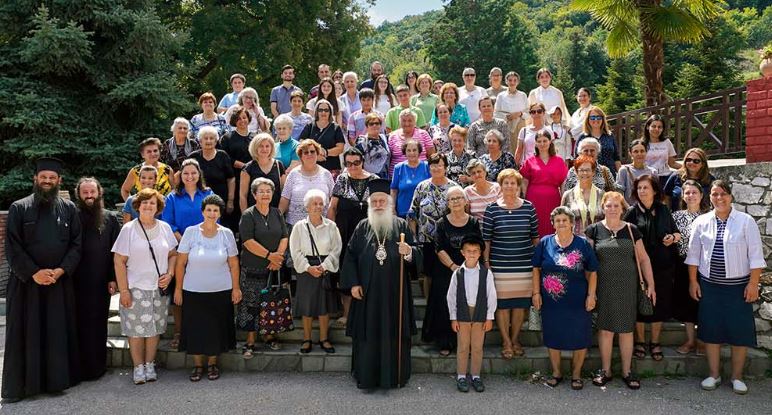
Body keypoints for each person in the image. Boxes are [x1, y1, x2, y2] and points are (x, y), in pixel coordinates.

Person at [2, 158, 82, 403]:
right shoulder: (19, 207)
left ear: (59, 181)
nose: (47, 181)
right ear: (35, 179)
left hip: (58, 283)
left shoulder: (69, 209)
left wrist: (61, 270)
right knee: (25, 332)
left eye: (52, 178)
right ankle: (23, 387)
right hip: (26, 284)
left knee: (56, 331)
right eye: (43, 177)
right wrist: (34, 272)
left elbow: (76, 244)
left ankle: (56, 382)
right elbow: (12, 246)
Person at [341, 179, 422, 389]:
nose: (378, 205)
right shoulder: (362, 226)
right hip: (366, 294)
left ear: (389, 203)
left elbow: (417, 254)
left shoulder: (401, 225)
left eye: (382, 201)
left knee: (393, 332)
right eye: (374, 202)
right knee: (367, 334)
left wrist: (409, 253)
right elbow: (350, 256)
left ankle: (395, 375)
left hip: (395, 293)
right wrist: (353, 284)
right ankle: (367, 376)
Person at [686, 180, 765, 395]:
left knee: (739, 333)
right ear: (709, 197)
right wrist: (693, 281)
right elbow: (693, 255)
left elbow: (756, 256)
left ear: (731, 196)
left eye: (723, 194)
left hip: (738, 288)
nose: (719, 198)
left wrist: (753, 284)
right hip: (710, 286)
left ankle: (737, 377)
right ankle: (714, 374)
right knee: (711, 331)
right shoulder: (701, 221)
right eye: (714, 194)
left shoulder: (746, 221)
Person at [586, 191, 656, 390]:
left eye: (616, 206)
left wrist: (651, 284)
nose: (612, 209)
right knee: (605, 329)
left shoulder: (632, 230)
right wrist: (590, 290)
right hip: (603, 286)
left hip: (628, 286)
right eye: (608, 205)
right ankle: (605, 370)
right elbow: (588, 263)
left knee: (626, 329)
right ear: (603, 207)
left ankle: (627, 371)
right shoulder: (594, 230)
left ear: (622, 208)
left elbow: (644, 259)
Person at [112, 188, 177, 385]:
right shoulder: (128, 229)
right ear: (138, 206)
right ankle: (138, 367)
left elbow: (173, 254)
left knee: (155, 329)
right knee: (136, 331)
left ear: (158, 207)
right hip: (135, 288)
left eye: (152, 203)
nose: (148, 206)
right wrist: (124, 290)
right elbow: (119, 261)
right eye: (145, 202)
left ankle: (150, 364)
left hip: (159, 288)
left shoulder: (165, 228)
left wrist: (170, 274)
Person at [174, 194, 240, 382]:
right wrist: (178, 289)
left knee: (216, 329)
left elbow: (234, 264)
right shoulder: (190, 232)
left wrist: (236, 288)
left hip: (221, 290)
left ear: (220, 213)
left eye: (215, 210)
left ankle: (212, 364)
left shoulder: (226, 234)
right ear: (202, 212)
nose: (212, 213)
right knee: (195, 328)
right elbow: (180, 263)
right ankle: (197, 366)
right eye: (209, 210)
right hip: (193, 290)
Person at [532, 207, 598, 390]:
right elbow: (536, 269)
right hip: (551, 302)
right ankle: (556, 373)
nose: (561, 223)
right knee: (553, 335)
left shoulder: (583, 244)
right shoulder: (544, 243)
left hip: (578, 300)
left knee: (580, 336)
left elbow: (592, 271)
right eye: (557, 220)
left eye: (564, 220)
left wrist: (591, 295)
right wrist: (536, 293)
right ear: (553, 224)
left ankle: (576, 375)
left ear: (572, 223)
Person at [482, 169, 539, 359]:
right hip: (500, 266)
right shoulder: (492, 209)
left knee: (520, 306)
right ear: (500, 185)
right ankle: (506, 342)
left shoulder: (529, 208)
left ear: (518, 186)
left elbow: (535, 237)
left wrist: (538, 262)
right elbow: (487, 239)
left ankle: (515, 340)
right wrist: (487, 262)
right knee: (503, 306)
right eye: (506, 183)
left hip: (524, 265)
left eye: (513, 183)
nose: (509, 186)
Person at [623, 175, 680, 362]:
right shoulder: (632, 212)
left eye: (645, 188)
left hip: (663, 266)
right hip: (639, 266)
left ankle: (655, 342)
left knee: (660, 303)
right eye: (639, 188)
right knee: (640, 303)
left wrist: (672, 238)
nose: (642, 191)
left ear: (655, 190)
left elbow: (676, 233)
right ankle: (640, 341)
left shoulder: (663, 209)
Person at [162, 159, 214, 349]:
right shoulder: (172, 197)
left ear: (199, 174)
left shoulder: (208, 194)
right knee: (180, 293)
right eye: (185, 173)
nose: (189, 176)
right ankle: (179, 332)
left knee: (202, 292)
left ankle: (202, 331)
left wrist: (200, 240)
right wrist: (186, 241)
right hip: (180, 249)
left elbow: (214, 217)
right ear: (180, 176)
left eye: (193, 173)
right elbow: (168, 223)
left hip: (205, 248)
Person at [73, 177, 121, 381]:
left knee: (97, 323)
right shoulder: (71, 216)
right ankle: (77, 368)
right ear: (79, 194)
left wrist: (113, 278)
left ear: (99, 192)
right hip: (74, 281)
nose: (89, 196)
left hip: (100, 281)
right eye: (85, 192)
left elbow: (116, 251)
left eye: (92, 192)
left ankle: (96, 368)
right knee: (76, 324)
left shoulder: (110, 218)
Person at [238, 178, 288, 356]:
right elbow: (248, 241)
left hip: (274, 268)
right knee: (251, 305)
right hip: (253, 269)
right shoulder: (248, 215)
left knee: (271, 304)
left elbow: (284, 236)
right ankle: (250, 341)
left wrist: (277, 258)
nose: (265, 194)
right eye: (261, 191)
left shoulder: (277, 213)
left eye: (268, 191)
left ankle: (269, 336)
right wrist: (269, 256)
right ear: (254, 194)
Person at [428, 186, 481, 357]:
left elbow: (477, 245)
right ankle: (445, 342)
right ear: (448, 203)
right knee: (445, 305)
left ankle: (466, 343)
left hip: (469, 268)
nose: (456, 201)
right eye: (452, 199)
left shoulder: (473, 222)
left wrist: (467, 266)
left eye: (459, 198)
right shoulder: (441, 223)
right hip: (446, 269)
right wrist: (453, 267)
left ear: (465, 201)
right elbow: (439, 248)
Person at [290, 190, 342, 354]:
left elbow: (336, 249)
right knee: (307, 306)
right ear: (307, 207)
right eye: (314, 203)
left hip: (325, 268)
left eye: (321, 204)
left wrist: (324, 266)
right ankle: (306, 339)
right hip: (306, 269)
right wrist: (308, 268)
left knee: (324, 306)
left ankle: (324, 339)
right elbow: (295, 251)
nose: (318, 206)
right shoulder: (299, 227)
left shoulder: (331, 226)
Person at [328, 149, 376, 326]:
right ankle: (347, 314)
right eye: (348, 163)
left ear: (362, 161)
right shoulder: (342, 179)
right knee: (346, 272)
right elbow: (333, 207)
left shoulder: (374, 180)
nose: (353, 166)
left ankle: (369, 314)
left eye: (356, 163)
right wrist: (331, 232)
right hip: (345, 233)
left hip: (369, 235)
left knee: (369, 272)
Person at [447, 233, 495, 393]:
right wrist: (453, 317)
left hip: (480, 313)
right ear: (462, 252)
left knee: (477, 347)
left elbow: (491, 295)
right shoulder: (457, 273)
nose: (472, 254)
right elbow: (451, 296)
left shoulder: (486, 273)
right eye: (469, 251)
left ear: (480, 253)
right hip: (462, 313)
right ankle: (461, 376)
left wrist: (489, 317)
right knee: (463, 346)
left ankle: (475, 376)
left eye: (475, 251)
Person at [409, 153, 458, 300]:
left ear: (446, 167)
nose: (436, 168)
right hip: (426, 239)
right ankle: (429, 305)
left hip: (448, 239)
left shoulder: (453, 187)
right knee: (428, 274)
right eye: (433, 165)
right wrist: (414, 237)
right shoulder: (422, 187)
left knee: (447, 272)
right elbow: (412, 213)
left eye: (439, 165)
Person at [672, 180, 708, 356]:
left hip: (705, 266)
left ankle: (702, 340)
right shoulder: (675, 216)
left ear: (701, 195)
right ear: (682, 196)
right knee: (686, 303)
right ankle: (690, 340)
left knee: (704, 303)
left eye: (694, 192)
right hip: (683, 264)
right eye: (687, 193)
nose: (691, 196)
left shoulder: (710, 216)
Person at [521, 129, 569, 237]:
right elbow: (524, 183)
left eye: (545, 141)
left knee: (552, 225)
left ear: (550, 142)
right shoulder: (529, 161)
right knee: (535, 227)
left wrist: (563, 202)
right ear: (536, 143)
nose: (542, 144)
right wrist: (523, 201)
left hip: (553, 200)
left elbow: (563, 184)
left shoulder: (559, 161)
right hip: (534, 200)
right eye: (539, 141)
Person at [279, 139, 335, 227]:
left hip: (321, 225)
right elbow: (285, 199)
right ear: (300, 156)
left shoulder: (326, 174)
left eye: (312, 151)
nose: (309, 154)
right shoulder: (293, 174)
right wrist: (278, 219)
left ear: (317, 153)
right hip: (296, 226)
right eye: (305, 152)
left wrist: (331, 225)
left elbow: (333, 201)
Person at [190, 126, 235, 216]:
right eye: (205, 138)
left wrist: (230, 200)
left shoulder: (223, 155)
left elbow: (231, 179)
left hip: (220, 201)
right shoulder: (193, 157)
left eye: (211, 138)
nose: (208, 141)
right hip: (198, 201)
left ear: (216, 141)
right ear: (200, 141)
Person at [220, 107, 256, 219]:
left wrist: (249, 167)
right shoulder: (227, 137)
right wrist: (243, 165)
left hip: (252, 176)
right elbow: (225, 157)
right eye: (238, 118)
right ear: (234, 121)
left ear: (248, 119)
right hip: (234, 177)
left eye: (244, 117)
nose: (242, 120)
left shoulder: (255, 137)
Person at [298, 99, 346, 176]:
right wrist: (315, 156)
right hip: (311, 167)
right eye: (320, 110)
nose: (323, 112)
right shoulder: (309, 126)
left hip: (332, 168)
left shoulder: (336, 128)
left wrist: (325, 152)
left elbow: (340, 148)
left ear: (330, 112)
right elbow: (301, 143)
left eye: (326, 110)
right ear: (316, 111)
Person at [240, 133, 286, 210]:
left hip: (275, 211)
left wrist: (280, 213)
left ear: (272, 148)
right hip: (254, 213)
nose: (264, 149)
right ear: (255, 148)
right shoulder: (248, 168)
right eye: (261, 146)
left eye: (267, 146)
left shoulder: (279, 165)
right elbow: (243, 195)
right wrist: (245, 215)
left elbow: (284, 193)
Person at [561, 155, 605, 235]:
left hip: (598, 239)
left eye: (588, 170)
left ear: (593, 172)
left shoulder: (602, 194)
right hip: (575, 240)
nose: (585, 173)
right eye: (581, 170)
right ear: (576, 172)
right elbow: (562, 221)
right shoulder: (568, 195)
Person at [663, 147, 714, 212]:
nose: (691, 163)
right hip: (677, 216)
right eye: (689, 160)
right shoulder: (676, 176)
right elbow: (666, 197)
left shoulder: (710, 179)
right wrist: (667, 213)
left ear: (703, 164)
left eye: (696, 161)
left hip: (703, 216)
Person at [387, 109, 435, 177]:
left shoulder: (423, 134)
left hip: (421, 174)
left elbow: (432, 155)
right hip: (398, 175)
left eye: (410, 120)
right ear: (400, 122)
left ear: (415, 122)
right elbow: (389, 158)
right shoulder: (393, 136)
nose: (407, 124)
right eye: (404, 121)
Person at [575, 106, 621, 176]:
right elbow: (577, 158)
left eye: (599, 117)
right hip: (589, 176)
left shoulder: (609, 135)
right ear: (588, 119)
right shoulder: (583, 137)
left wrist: (620, 176)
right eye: (592, 117)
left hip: (609, 176)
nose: (596, 120)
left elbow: (616, 158)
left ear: (603, 119)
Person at [390, 139, 431, 218]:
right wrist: (392, 208)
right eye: (408, 150)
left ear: (419, 151)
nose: (412, 153)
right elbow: (394, 190)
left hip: (423, 212)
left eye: (414, 150)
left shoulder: (427, 166)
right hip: (403, 212)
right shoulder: (398, 168)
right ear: (405, 152)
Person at [494, 71, 529, 154]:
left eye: (515, 80)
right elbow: (496, 113)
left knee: (520, 149)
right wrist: (507, 117)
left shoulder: (523, 95)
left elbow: (528, 113)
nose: (512, 82)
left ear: (518, 82)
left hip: (520, 125)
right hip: (506, 125)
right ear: (506, 81)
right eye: (510, 80)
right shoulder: (501, 96)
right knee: (507, 149)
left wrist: (520, 114)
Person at [616, 139, 658, 204]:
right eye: (636, 151)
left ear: (646, 152)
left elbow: (656, 195)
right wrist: (628, 208)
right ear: (630, 153)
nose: (639, 154)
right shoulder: (624, 170)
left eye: (642, 151)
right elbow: (619, 194)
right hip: (629, 208)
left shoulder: (653, 172)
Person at [642, 114, 680, 184]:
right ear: (647, 127)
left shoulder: (667, 142)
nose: (656, 129)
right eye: (653, 126)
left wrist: (687, 168)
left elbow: (672, 163)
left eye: (659, 127)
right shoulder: (642, 144)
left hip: (665, 177)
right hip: (648, 178)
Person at [355, 113, 390, 179]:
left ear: (380, 125)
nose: (374, 125)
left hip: (384, 177)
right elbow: (356, 160)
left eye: (377, 123)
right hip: (368, 177)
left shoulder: (385, 138)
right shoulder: (361, 141)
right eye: (371, 124)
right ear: (367, 126)